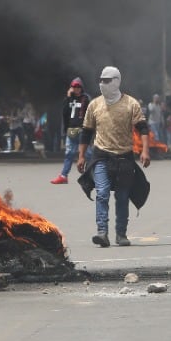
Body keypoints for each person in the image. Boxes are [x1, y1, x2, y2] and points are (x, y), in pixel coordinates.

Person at [77, 66, 150, 248]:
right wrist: (81, 156)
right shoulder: (94, 105)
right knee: (102, 193)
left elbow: (142, 128)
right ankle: (102, 232)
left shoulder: (131, 104)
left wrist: (145, 151)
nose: (103, 84)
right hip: (101, 157)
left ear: (117, 81)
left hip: (124, 158)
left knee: (122, 197)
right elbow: (86, 132)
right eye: (101, 80)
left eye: (107, 80)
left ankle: (121, 234)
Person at [51, 78, 89, 184]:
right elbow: (64, 113)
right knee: (69, 154)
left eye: (78, 87)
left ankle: (96, 174)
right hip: (70, 130)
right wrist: (68, 97)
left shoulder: (86, 98)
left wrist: (88, 130)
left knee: (88, 153)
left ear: (81, 88)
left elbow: (90, 114)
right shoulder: (69, 99)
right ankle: (64, 176)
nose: (76, 89)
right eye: (74, 87)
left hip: (82, 130)